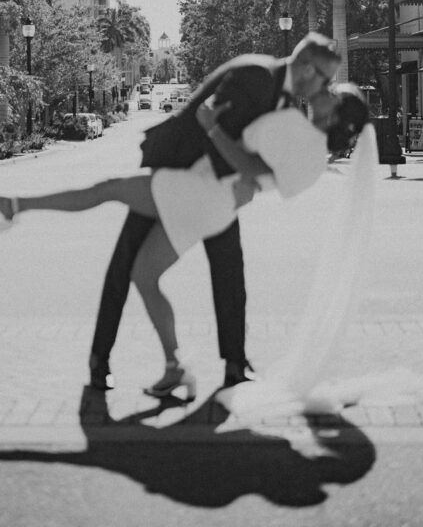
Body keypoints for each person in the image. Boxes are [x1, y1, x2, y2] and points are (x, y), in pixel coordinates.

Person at [0, 83, 367, 401]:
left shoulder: (308, 147)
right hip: (211, 199)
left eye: (333, 93)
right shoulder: (306, 139)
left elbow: (254, 169)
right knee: (144, 275)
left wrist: (212, 126)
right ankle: (174, 366)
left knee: (108, 190)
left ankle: (15, 205)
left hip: (204, 194)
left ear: (335, 114)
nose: (325, 89)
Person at [88, 32, 341, 392]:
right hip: (175, 172)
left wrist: (249, 180)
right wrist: (243, 179)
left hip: (211, 189)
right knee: (124, 265)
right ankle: (100, 361)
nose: (326, 86)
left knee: (229, 271)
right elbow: (210, 125)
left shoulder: (281, 95)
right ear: (304, 66)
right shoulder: (257, 76)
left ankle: (236, 364)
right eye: (325, 77)